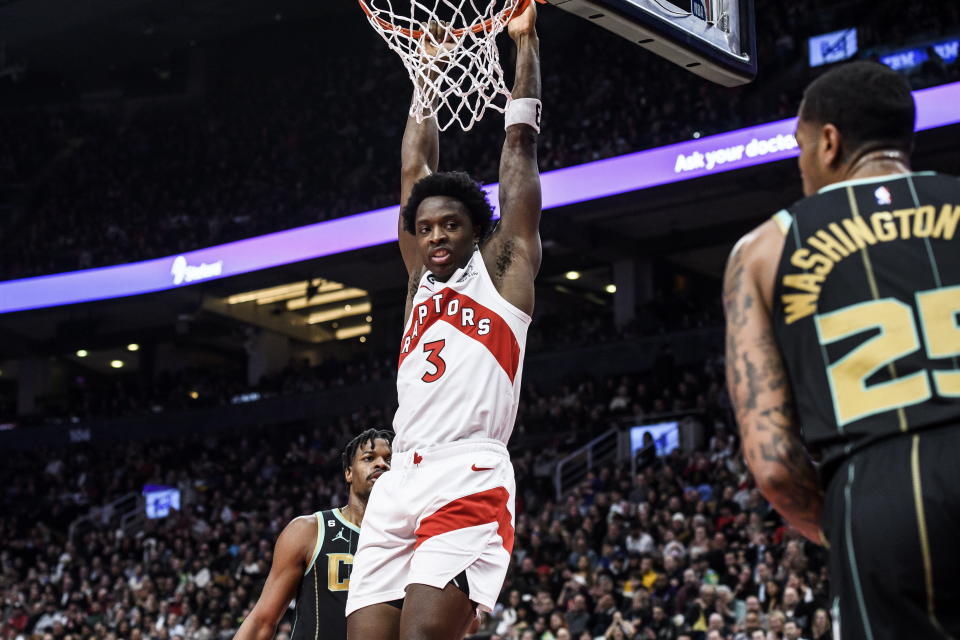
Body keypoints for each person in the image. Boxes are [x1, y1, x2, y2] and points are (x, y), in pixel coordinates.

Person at [723, 60, 960, 640]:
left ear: (828, 142)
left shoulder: (764, 248)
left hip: (883, 489)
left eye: (799, 146)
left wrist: (844, 523)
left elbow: (775, 463)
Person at [345, 4, 543, 640]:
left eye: (448, 225)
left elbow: (518, 151)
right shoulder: (416, 285)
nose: (433, 236)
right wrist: (424, 77)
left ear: (474, 229)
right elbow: (412, 173)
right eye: (424, 226)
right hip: (400, 479)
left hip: (468, 471)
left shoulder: (504, 269)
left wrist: (525, 45)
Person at [233, 429, 392, 640]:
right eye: (369, 458)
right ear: (348, 473)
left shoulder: (412, 536)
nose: (382, 464)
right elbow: (262, 621)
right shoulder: (309, 530)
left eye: (390, 459)